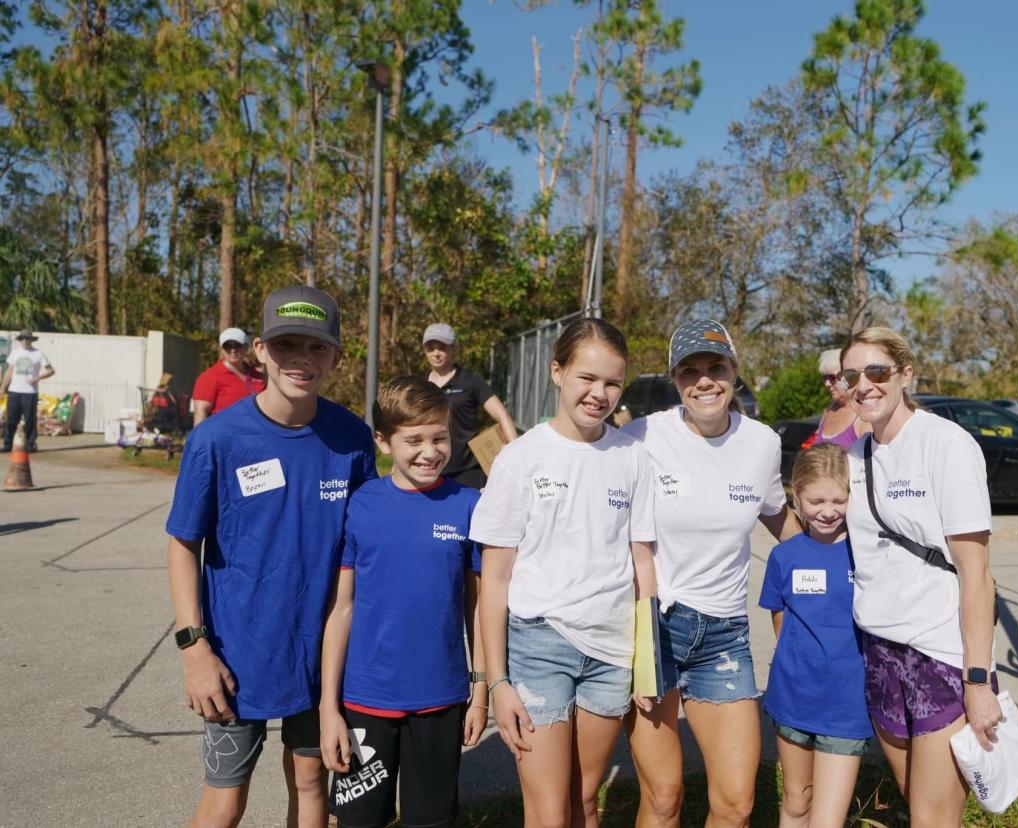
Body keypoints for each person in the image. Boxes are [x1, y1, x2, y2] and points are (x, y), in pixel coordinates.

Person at [165, 285, 376, 828]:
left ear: (336, 356)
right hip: (236, 658)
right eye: (287, 345)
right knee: (225, 801)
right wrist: (194, 650)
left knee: (311, 784)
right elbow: (183, 544)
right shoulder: (218, 440)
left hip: (320, 656)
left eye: (316, 347)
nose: (301, 360)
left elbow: (369, 544)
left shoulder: (351, 438)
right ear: (259, 349)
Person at [470, 318, 656, 828]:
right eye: (587, 378)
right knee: (548, 812)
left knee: (584, 801)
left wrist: (648, 660)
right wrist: (497, 681)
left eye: (613, 383)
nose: (600, 394)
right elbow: (495, 581)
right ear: (558, 371)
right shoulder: (519, 459)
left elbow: (643, 563)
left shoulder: (634, 456)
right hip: (538, 648)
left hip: (612, 653)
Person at [622, 319, 801, 828]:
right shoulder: (642, 437)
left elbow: (780, 518)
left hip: (724, 636)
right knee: (663, 799)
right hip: (654, 630)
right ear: (675, 380)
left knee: (737, 804)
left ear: (734, 371)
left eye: (715, 367)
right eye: (690, 371)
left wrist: (850, 559)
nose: (705, 381)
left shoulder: (762, 443)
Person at [840, 326, 1002, 826]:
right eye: (852, 375)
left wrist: (977, 680)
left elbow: (977, 573)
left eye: (877, 372)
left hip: (940, 653)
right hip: (880, 648)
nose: (864, 384)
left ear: (905, 374)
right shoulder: (855, 455)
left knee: (935, 816)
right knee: (918, 801)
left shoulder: (946, 445)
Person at [319, 376, 488, 828]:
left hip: (442, 697)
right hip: (366, 699)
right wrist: (328, 707)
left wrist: (481, 689)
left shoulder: (469, 505)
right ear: (383, 440)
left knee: (430, 820)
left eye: (439, 437)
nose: (429, 452)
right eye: (413, 440)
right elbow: (342, 609)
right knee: (358, 821)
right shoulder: (361, 505)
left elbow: (477, 608)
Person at [759, 444, 871, 828]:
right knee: (795, 801)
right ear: (797, 495)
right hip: (793, 697)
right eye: (816, 500)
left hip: (846, 704)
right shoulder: (784, 557)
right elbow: (780, 623)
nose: (828, 511)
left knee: (826, 819)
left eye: (839, 500)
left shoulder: (867, 555)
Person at [423, 323, 517, 488]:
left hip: (467, 470)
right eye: (431, 348)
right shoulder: (419, 385)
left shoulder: (471, 381)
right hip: (430, 466)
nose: (436, 353)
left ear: (453, 350)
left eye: (442, 348)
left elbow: (502, 415)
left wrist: (516, 451)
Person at [192, 327, 267, 427]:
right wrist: (201, 441)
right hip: (223, 438)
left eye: (237, 345)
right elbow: (200, 412)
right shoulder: (209, 377)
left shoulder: (257, 376)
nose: (233, 350)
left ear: (245, 347)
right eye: (227, 346)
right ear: (222, 350)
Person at [2, 329, 55, 452]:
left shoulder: (38, 354)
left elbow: (51, 370)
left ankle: (31, 445)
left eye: (28, 339)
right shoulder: (15, 353)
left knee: (30, 419)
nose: (26, 341)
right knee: (11, 419)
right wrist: (3, 387)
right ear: (20, 340)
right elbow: (9, 371)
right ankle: (7, 444)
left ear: (32, 340)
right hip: (14, 391)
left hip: (30, 392)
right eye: (23, 339)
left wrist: (38, 378)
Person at [809, 348, 868, 450]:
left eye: (832, 378)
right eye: (824, 378)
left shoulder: (863, 414)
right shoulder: (829, 408)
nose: (827, 384)